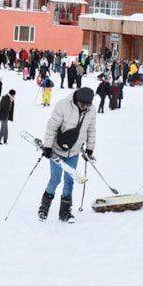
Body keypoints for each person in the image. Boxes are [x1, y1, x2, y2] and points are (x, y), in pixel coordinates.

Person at [38, 87, 97, 223]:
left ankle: (65, 211)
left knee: (70, 181)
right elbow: (52, 126)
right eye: (83, 105)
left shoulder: (91, 110)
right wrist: (47, 146)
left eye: (87, 105)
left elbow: (91, 129)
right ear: (76, 100)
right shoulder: (63, 105)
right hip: (57, 150)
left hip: (74, 151)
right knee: (55, 180)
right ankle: (44, 208)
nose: (85, 108)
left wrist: (89, 149)